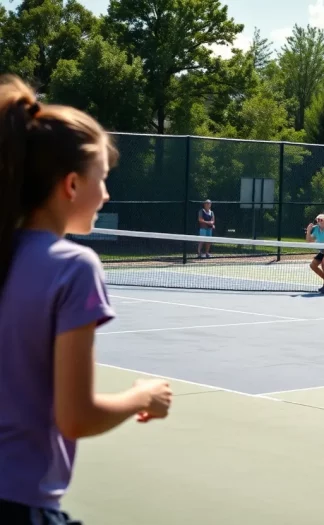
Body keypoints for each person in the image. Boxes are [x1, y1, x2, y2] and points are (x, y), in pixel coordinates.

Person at [0, 74, 173, 524]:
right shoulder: (74, 267)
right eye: (103, 178)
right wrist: (142, 396)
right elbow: (75, 417)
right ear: (72, 185)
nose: (107, 194)